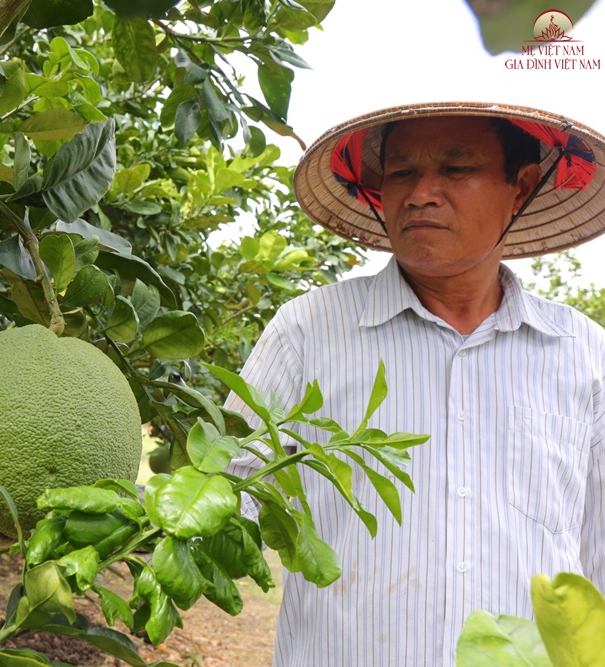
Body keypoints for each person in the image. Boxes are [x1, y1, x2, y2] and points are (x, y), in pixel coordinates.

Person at [224, 102, 605, 666]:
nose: (421, 193)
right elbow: (228, 493)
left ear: (520, 187)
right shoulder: (307, 332)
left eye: (455, 168)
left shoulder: (585, 355)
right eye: (401, 171)